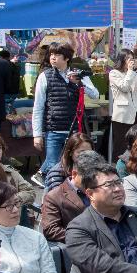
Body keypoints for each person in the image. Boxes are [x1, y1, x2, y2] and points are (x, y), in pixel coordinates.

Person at [32, 43, 99, 181]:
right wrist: (37, 134)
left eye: (57, 55)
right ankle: (49, 195)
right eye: (51, 54)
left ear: (67, 58)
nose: (53, 58)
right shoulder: (45, 76)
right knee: (53, 168)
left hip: (74, 130)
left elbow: (95, 94)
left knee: (76, 167)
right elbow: (38, 107)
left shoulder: (78, 74)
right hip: (54, 130)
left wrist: (79, 83)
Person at [40, 150, 100, 243]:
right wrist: (84, 237)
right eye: (88, 178)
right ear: (74, 174)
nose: (93, 181)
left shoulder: (101, 188)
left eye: (96, 177)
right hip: (79, 247)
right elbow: (51, 230)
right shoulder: (54, 197)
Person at [106, 51, 137, 158]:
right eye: (128, 59)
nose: (131, 61)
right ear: (122, 60)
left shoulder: (132, 73)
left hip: (136, 113)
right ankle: (118, 169)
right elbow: (124, 87)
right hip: (122, 114)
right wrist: (131, 72)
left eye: (132, 59)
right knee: (121, 145)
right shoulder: (114, 73)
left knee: (136, 144)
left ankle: (133, 167)